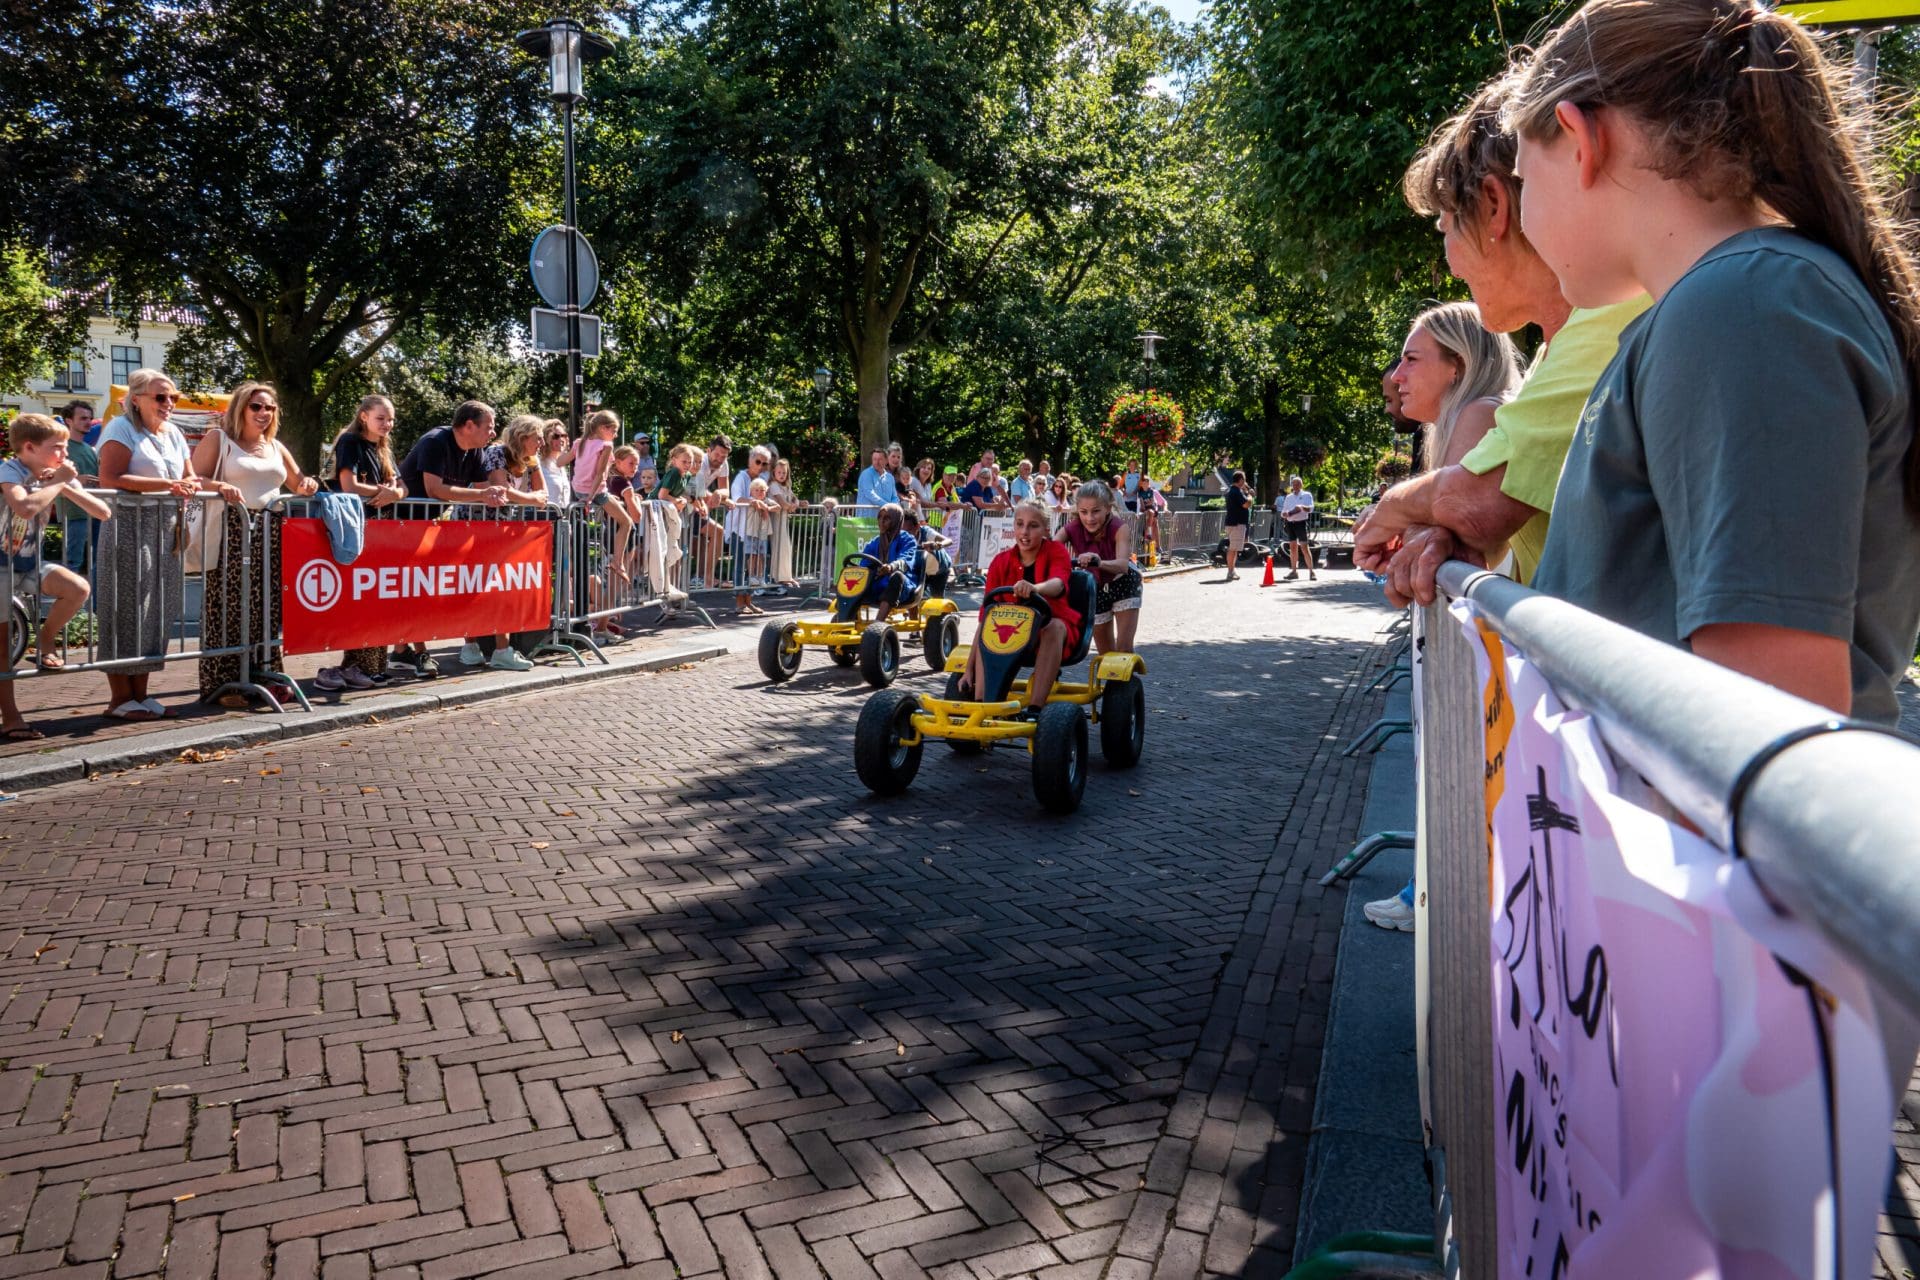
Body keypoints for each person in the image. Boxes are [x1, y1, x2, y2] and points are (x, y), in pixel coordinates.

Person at [1503, 0, 1920, 728]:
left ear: (1579, 137)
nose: (1523, 214)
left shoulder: (1746, 305)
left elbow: (1770, 714)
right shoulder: (1734, 300)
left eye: (1521, 179)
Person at [1354, 75, 1651, 609]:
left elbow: (1479, 502)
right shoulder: (1557, 348)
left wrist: (1397, 506)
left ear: (1494, 206)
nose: (1449, 264)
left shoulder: (1610, 317)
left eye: (1446, 228)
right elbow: (1484, 509)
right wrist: (1443, 530)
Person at [96, 369, 240, 720]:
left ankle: (142, 694)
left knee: (157, 609)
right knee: (126, 608)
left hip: (166, 526)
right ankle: (119, 698)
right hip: (128, 525)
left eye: (172, 397)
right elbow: (110, 477)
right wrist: (167, 485)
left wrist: (204, 485)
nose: (169, 403)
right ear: (136, 399)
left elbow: (189, 475)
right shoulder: (121, 428)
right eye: (160, 397)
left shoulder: (173, 432)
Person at [191, 381, 320, 704]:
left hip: (270, 530)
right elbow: (193, 478)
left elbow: (298, 482)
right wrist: (219, 486)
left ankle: (265, 673)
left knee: (267, 604)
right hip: (231, 529)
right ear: (241, 408)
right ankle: (223, 682)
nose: (264, 413)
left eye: (270, 408)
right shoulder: (220, 439)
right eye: (256, 406)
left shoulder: (276, 446)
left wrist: (308, 484)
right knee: (227, 603)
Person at [1, 414, 110, 739]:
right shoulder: (9, 471)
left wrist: (64, 484)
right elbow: (24, 508)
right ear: (30, 448)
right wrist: (57, 482)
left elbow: (103, 512)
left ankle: (46, 638)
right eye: (57, 448)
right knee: (2, 647)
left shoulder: (56, 475)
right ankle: (12, 718)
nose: (65, 454)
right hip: (0, 565)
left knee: (77, 587)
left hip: (28, 563)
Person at [393, 400, 505, 676]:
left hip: (427, 523)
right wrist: (483, 495)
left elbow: (483, 489)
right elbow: (435, 489)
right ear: (469, 425)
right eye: (489, 427)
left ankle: (401, 650)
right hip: (400, 522)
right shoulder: (435, 441)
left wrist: (495, 495)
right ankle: (418, 653)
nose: (493, 433)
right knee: (413, 589)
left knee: (417, 589)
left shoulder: (476, 450)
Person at [316, 394, 409, 691]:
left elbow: (402, 486)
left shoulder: (384, 448)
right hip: (358, 527)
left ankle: (374, 666)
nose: (387, 424)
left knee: (379, 598)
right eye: (381, 418)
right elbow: (349, 485)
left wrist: (395, 494)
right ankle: (355, 664)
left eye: (390, 419)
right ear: (364, 416)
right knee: (362, 597)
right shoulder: (350, 442)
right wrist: (383, 493)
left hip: (382, 529)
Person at [958, 498, 1079, 716]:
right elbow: (985, 619)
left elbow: (1058, 584)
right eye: (1020, 524)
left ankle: (1035, 709)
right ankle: (983, 707)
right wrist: (968, 670)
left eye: (1033, 526)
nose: (1025, 532)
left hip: (1049, 631)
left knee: (1054, 627)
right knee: (990, 627)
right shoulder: (1000, 561)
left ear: (1046, 529)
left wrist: (1035, 588)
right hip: (1009, 635)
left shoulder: (1056, 551)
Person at [451, 414, 547, 673]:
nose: (541, 443)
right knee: (473, 585)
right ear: (523, 437)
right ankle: (471, 646)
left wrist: (534, 469)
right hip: (475, 525)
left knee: (502, 586)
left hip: (501, 529)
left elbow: (543, 494)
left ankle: (502, 650)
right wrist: (531, 498)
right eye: (537, 438)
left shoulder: (528, 461)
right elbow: (502, 490)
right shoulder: (496, 453)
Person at [1062, 480, 1142, 655]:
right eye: (1084, 512)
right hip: (1096, 587)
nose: (1089, 518)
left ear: (1107, 508)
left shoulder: (1119, 527)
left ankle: (1128, 672)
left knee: (1123, 649)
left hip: (1123, 583)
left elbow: (1122, 565)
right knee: (1105, 654)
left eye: (1096, 511)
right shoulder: (1072, 528)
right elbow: (1051, 548)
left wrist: (1099, 563)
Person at [571, 409, 634, 586]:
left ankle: (614, 563)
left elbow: (562, 461)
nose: (615, 435)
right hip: (596, 492)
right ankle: (618, 562)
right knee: (626, 522)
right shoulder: (605, 446)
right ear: (602, 428)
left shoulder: (580, 443)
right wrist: (590, 497)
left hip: (579, 490)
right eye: (614, 430)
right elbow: (599, 475)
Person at [55, 402, 101, 573]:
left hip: (94, 509)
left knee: (98, 559)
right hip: (73, 512)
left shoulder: (90, 449)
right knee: (73, 560)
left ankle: (92, 590)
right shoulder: (60, 446)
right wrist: (75, 480)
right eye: (83, 418)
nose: (88, 422)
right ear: (69, 421)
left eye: (90, 418)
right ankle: (66, 590)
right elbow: (48, 475)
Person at [853, 502, 921, 615]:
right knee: (854, 575)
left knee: (897, 576)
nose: (881, 521)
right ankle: (844, 618)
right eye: (879, 517)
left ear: (896, 520)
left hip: (902, 584)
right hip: (878, 582)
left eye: (886, 518)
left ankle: (878, 622)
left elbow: (905, 560)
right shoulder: (875, 542)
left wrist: (890, 567)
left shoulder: (907, 539)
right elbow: (864, 563)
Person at [727, 445, 772, 615]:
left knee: (753, 568)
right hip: (739, 529)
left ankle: (749, 601)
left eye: (764, 463)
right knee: (740, 565)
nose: (760, 466)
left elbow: (767, 499)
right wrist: (754, 502)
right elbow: (737, 498)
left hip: (754, 530)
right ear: (750, 460)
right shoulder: (741, 477)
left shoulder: (762, 479)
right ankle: (740, 603)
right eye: (758, 461)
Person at [693, 435, 731, 588]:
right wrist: (719, 498)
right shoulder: (699, 462)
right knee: (716, 532)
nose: (720, 459)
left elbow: (725, 490)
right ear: (708, 451)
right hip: (688, 503)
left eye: (724, 456)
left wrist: (719, 494)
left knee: (709, 537)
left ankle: (702, 577)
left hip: (698, 506)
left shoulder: (724, 464)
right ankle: (705, 578)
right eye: (717, 454)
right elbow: (697, 489)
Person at [765, 456, 799, 591]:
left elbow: (795, 499)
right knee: (779, 547)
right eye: (779, 472)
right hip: (776, 520)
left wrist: (796, 504)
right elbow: (783, 503)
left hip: (783, 520)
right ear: (774, 472)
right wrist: (791, 506)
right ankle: (778, 576)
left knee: (786, 547)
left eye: (784, 472)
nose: (781, 475)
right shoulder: (773, 486)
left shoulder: (786, 486)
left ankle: (787, 575)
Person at [903, 508, 951, 598]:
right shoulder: (902, 537)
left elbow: (949, 541)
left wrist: (936, 545)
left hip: (939, 570)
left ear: (917, 526)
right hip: (921, 569)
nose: (905, 535)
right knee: (914, 598)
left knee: (937, 600)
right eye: (902, 531)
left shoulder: (926, 532)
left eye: (909, 531)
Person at [1278, 476, 1316, 581]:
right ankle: (1294, 571)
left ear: (1301, 485)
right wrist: (1285, 514)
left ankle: (1311, 571)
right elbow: (1283, 511)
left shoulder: (1307, 495)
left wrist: (1302, 507)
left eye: (1297, 484)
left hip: (1301, 523)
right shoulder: (1289, 497)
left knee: (1304, 547)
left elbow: (1311, 509)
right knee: (1293, 547)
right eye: (1294, 484)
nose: (1295, 486)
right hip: (1290, 523)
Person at [1221, 470, 1252, 581]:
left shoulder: (1232, 490)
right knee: (1233, 548)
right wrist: (1249, 495)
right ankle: (1230, 572)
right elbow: (1246, 504)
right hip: (1236, 524)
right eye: (1244, 480)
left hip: (1232, 523)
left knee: (1234, 548)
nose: (1245, 482)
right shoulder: (1236, 491)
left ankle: (1232, 570)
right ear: (1241, 480)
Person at [538, 420, 571, 507]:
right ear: (546, 439)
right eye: (556, 436)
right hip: (543, 514)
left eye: (563, 435)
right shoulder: (539, 464)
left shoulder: (562, 467)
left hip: (562, 514)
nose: (561, 439)